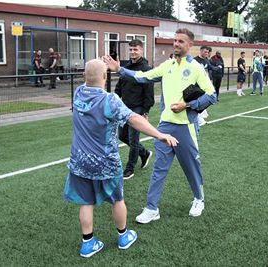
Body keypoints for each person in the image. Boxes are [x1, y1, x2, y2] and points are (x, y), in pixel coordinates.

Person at [63, 59, 178, 258]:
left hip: (80, 162)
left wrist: (95, 67)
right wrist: (160, 135)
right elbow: (134, 119)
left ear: (83, 76)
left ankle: (88, 243)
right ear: (106, 77)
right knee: (117, 200)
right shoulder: (110, 100)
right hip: (105, 163)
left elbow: (90, 78)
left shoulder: (78, 93)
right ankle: (124, 236)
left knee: (85, 201)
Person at [104, 28, 217, 222]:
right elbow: (142, 76)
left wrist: (187, 105)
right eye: (175, 40)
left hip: (186, 127)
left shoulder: (197, 68)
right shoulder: (167, 65)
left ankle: (199, 199)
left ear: (190, 45)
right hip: (164, 127)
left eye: (181, 41)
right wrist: (119, 70)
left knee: (191, 167)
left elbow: (212, 95)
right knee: (158, 169)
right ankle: (151, 208)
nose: (176, 44)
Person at [115, 39, 155, 180]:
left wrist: (145, 112)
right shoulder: (126, 67)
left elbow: (149, 93)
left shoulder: (146, 69)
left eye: (135, 49)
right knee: (122, 136)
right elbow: (120, 84)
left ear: (141, 50)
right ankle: (144, 153)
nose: (132, 52)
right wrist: (116, 96)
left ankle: (129, 168)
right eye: (131, 50)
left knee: (133, 140)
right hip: (124, 107)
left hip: (137, 109)